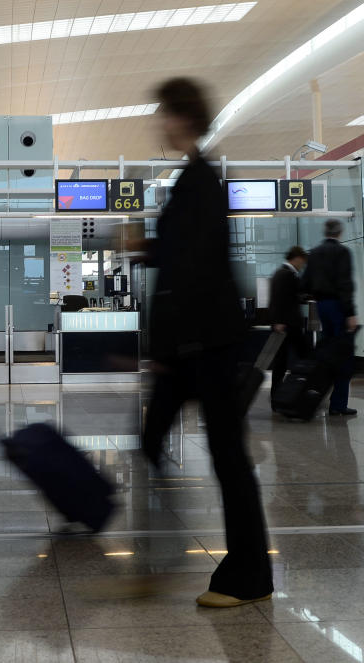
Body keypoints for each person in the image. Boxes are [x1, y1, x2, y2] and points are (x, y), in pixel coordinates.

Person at [137, 78, 273, 608]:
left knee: (227, 458)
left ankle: (248, 574)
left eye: (163, 114)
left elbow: (192, 270)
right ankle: (161, 554)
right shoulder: (194, 180)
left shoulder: (201, 182)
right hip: (194, 345)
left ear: (181, 117)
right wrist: (150, 247)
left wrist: (168, 349)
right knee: (159, 444)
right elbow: (183, 258)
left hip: (204, 347)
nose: (159, 124)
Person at [302, 219, 358, 416]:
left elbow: (305, 283)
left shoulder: (314, 253)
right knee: (344, 354)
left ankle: (315, 395)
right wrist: (350, 313)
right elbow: (344, 283)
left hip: (321, 306)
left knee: (326, 353)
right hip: (338, 306)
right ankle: (338, 404)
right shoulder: (342, 252)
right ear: (340, 233)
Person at [269, 246, 309, 407]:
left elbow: (293, 296)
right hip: (287, 325)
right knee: (299, 358)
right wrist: (277, 321)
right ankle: (288, 395)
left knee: (283, 362)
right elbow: (278, 299)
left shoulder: (283, 273)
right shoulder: (286, 274)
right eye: (302, 262)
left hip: (286, 324)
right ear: (297, 258)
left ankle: (280, 397)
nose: (303, 265)